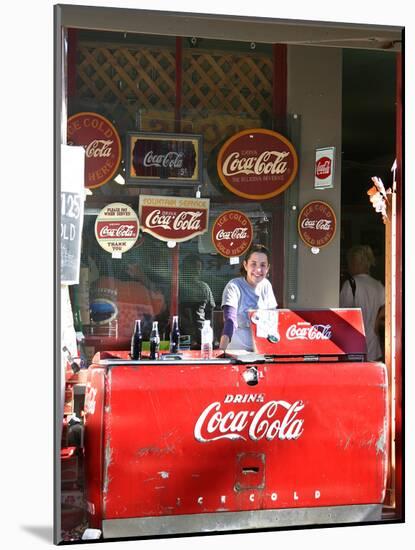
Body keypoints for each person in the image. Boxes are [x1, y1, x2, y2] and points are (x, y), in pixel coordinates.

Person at [219, 244, 277, 352]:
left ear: (268, 268)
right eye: (253, 264)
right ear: (245, 265)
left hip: (261, 352)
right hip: (237, 354)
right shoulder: (234, 286)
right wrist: (221, 352)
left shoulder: (266, 285)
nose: (258, 269)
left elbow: (273, 321)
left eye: (263, 265)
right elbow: (230, 321)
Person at [340, 244, 385, 361]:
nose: (348, 266)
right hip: (374, 348)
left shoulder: (350, 284)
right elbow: (387, 308)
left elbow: (342, 314)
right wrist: (376, 324)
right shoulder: (378, 285)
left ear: (355, 262)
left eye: (349, 262)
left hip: (354, 347)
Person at [179, 254, 215, 348]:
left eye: (198, 267)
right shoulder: (177, 287)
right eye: (192, 268)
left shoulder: (204, 287)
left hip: (201, 334)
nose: (196, 270)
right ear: (184, 269)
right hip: (180, 332)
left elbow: (210, 312)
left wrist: (211, 334)